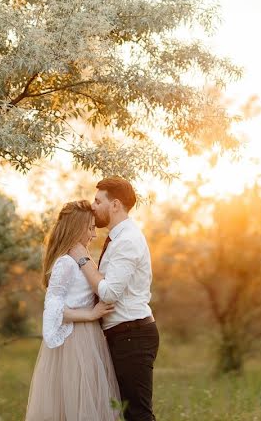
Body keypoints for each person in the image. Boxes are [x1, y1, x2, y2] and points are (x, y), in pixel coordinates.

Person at [70, 176, 159, 421]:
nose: (93, 206)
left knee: (138, 415)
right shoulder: (118, 238)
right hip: (123, 335)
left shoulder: (128, 240)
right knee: (126, 413)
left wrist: (81, 257)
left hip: (133, 336)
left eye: (98, 201)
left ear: (116, 204)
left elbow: (109, 293)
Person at [25, 200, 122, 421]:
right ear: (76, 228)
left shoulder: (79, 260)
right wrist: (91, 314)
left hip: (90, 338)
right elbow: (52, 311)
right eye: (90, 228)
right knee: (75, 403)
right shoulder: (66, 264)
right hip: (74, 341)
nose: (94, 235)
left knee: (89, 403)